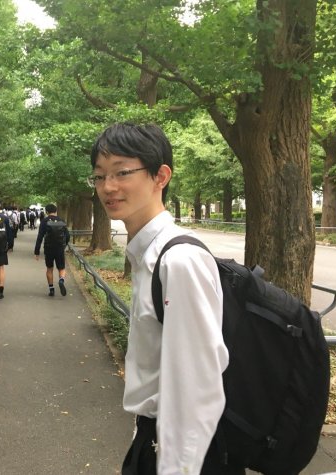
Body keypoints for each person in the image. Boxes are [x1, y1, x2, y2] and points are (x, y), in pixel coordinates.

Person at [90, 123, 234, 475]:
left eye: (122, 172)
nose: (108, 187)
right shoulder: (148, 255)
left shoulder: (178, 261)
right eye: (98, 176)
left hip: (182, 455)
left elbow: (197, 388)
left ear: (161, 176)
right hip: (153, 438)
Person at [34, 203, 70, 297]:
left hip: (49, 248)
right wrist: (64, 245)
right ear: (56, 211)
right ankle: (61, 280)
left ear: (46, 211)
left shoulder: (45, 221)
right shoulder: (61, 220)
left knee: (49, 268)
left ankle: (51, 289)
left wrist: (36, 251)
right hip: (59, 248)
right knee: (61, 268)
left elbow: (40, 237)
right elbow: (68, 235)